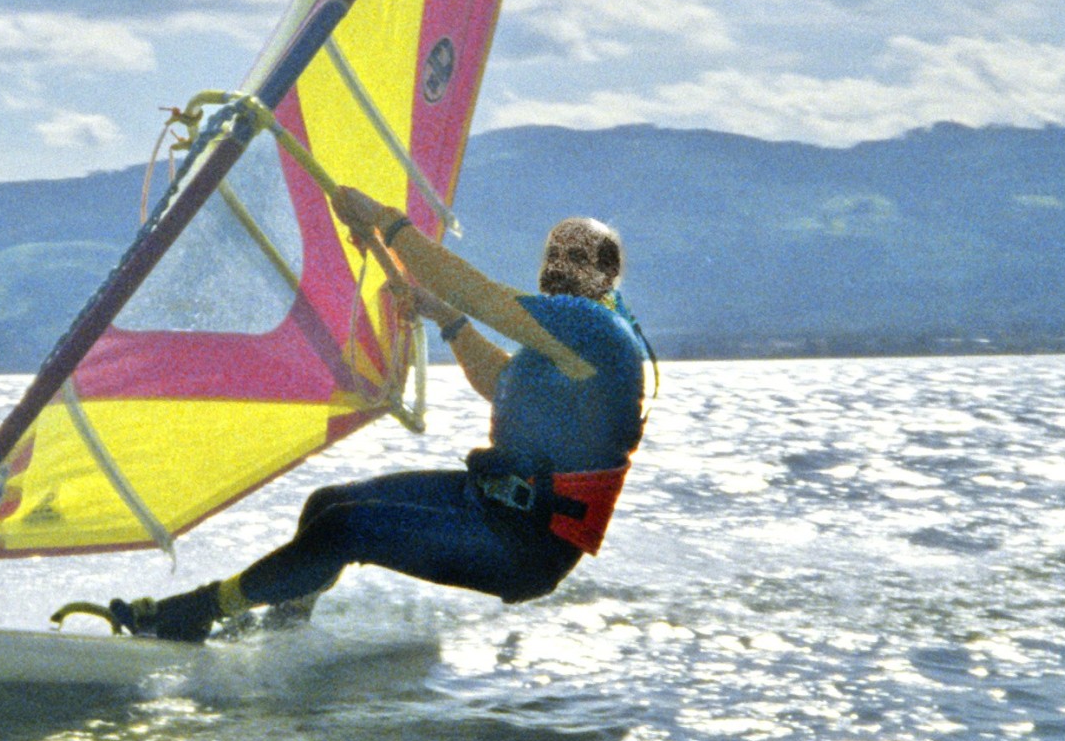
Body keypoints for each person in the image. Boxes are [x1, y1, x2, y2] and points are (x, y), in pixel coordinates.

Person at [72, 184, 650, 642]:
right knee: (327, 505)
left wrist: (386, 221)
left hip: (526, 544)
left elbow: (486, 296)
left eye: (572, 260)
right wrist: (444, 319)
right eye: (555, 256)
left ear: (603, 276)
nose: (558, 269)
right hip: (490, 505)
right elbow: (500, 385)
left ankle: (196, 611)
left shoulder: (595, 328)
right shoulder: (566, 342)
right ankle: (283, 625)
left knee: (346, 530)